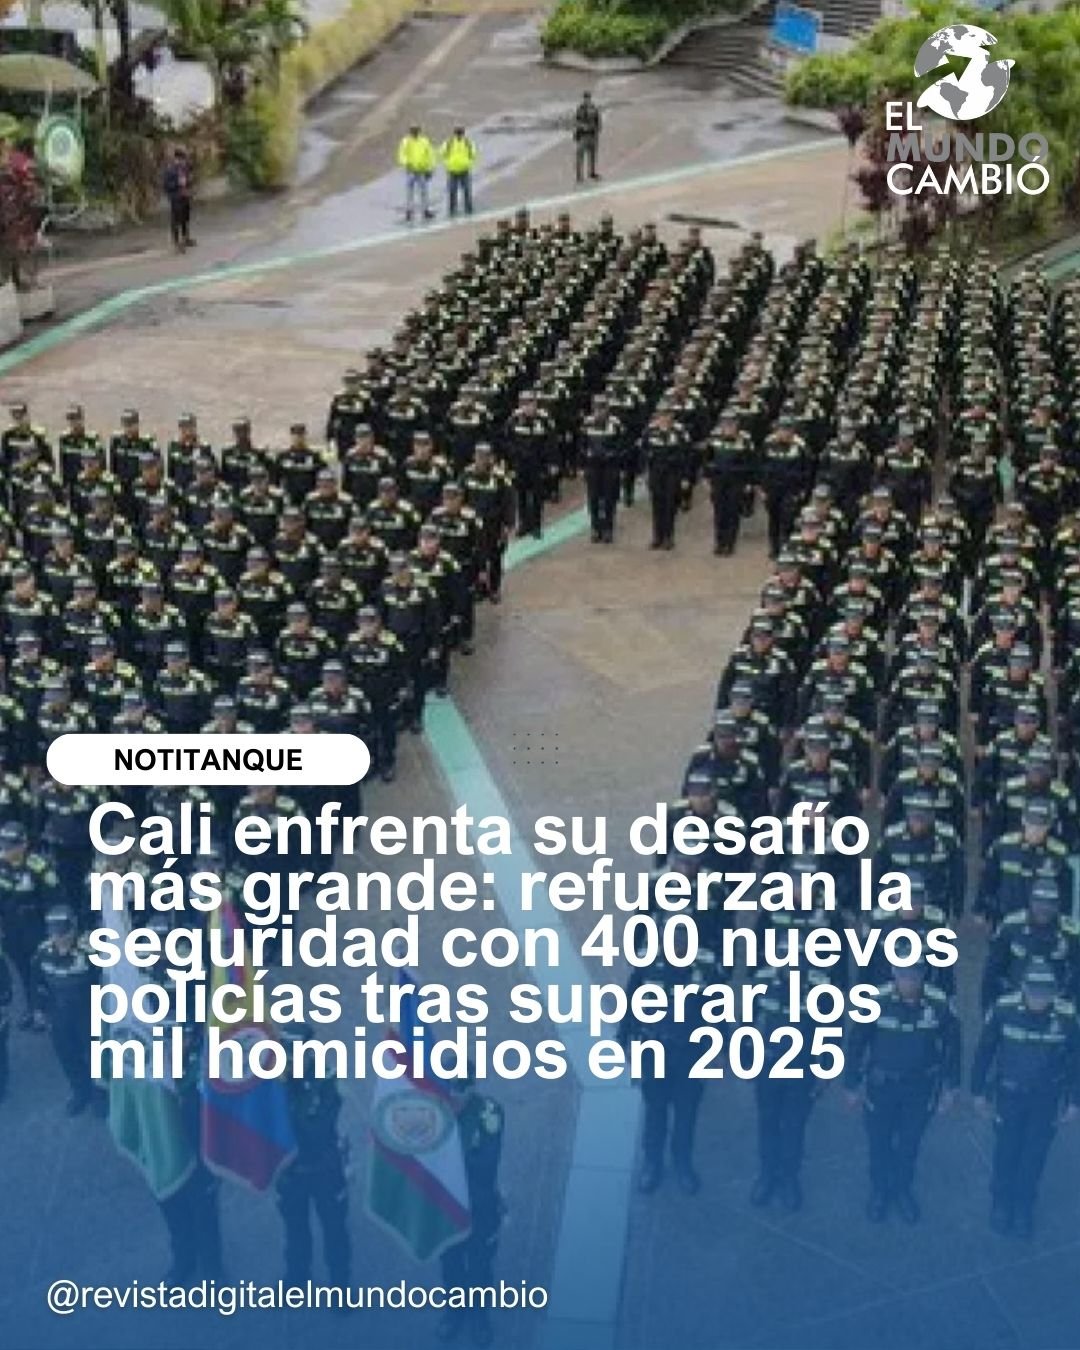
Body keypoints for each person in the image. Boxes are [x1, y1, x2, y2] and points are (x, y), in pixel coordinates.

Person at [844, 960, 960, 1223]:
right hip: (881, 1087)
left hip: (920, 1089)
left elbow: (953, 1045)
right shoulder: (875, 1000)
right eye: (903, 973)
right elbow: (857, 1042)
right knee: (879, 1142)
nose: (909, 980)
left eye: (915, 973)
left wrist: (951, 1087)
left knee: (910, 1143)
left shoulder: (939, 1003)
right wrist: (851, 1084)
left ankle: (902, 1190)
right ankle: (879, 1190)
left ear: (923, 973)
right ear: (894, 973)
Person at [971, 958, 1080, 1237]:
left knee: (1034, 1155)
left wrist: (1075, 1101)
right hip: (1010, 1096)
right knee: (1006, 1150)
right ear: (1023, 987)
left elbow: (1076, 1061)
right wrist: (978, 1092)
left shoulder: (1068, 1017)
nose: (1039, 998)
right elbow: (985, 1051)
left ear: (1054, 991)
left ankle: (1023, 1206)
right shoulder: (1003, 1009)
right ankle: (1001, 1203)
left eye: (1045, 992)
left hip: (1046, 1100)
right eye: (1034, 991)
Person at [438, 1076, 505, 1347]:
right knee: (450, 1263)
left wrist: (443, 1151)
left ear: (469, 1090)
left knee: (480, 1267)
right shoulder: (434, 1112)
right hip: (446, 1206)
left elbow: (485, 1165)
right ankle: (454, 1311)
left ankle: (480, 1318)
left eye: (456, 1094)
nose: (451, 1099)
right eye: (447, 1092)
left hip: (479, 1206)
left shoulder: (489, 1113)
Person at [398, 124, 437, 222]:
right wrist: (406, 163)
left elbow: (430, 154)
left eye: (416, 130)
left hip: (421, 171)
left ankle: (425, 210)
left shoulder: (424, 141)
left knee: (423, 192)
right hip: (411, 171)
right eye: (413, 130)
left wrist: (430, 168)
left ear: (419, 131)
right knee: (410, 192)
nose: (414, 132)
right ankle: (409, 211)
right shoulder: (406, 141)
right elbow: (402, 154)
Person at [162, 147, 194, 252]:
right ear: (176, 159)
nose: (183, 162)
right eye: (181, 159)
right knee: (176, 220)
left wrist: (188, 182)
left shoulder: (184, 169)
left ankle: (186, 238)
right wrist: (177, 183)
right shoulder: (169, 170)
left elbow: (187, 180)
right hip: (175, 198)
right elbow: (166, 186)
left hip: (185, 196)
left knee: (185, 218)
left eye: (184, 159)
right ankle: (177, 243)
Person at [440, 127, 477, 218]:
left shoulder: (468, 143)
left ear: (463, 133)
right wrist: (447, 164)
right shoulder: (449, 143)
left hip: (465, 170)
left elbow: (473, 154)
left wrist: (469, 164)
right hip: (452, 171)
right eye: (458, 133)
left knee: (467, 190)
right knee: (452, 191)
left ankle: (468, 208)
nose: (459, 135)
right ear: (455, 133)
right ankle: (452, 209)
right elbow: (442, 153)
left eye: (460, 133)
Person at [573, 92, 601, 183]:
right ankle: (579, 176)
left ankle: (592, 173)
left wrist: (597, 131)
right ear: (584, 99)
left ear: (590, 99)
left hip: (592, 135)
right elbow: (576, 121)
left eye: (588, 98)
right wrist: (582, 127)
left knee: (592, 156)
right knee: (579, 156)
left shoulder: (594, 108)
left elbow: (598, 121)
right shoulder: (580, 109)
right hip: (583, 136)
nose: (587, 100)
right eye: (585, 98)